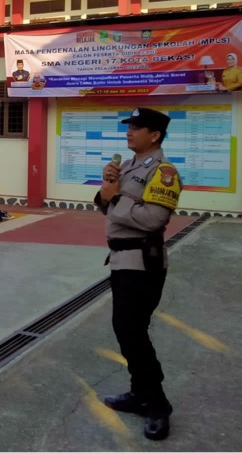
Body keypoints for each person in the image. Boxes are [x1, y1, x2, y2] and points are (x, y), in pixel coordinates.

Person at [95, 107, 181, 441]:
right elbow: (109, 209)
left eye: (136, 127)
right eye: (128, 127)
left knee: (132, 333)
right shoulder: (128, 167)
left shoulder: (164, 172)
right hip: (121, 260)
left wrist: (115, 199)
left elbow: (152, 221)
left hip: (142, 263)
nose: (129, 132)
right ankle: (139, 393)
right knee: (127, 331)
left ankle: (157, 405)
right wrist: (107, 190)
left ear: (154, 135)